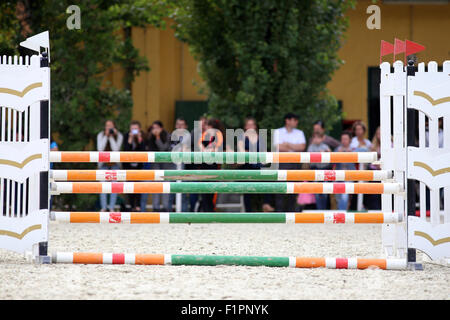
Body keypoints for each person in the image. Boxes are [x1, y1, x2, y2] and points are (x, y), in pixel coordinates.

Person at [273, 113, 305, 212]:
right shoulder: (277, 132)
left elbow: (302, 147)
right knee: (280, 191)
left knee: (293, 191)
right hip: (282, 163)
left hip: (295, 163)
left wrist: (287, 144)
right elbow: (277, 147)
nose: (297, 122)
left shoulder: (300, 132)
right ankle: (279, 215)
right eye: (294, 120)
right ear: (287, 121)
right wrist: (294, 147)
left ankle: (291, 215)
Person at [197, 118, 225, 212]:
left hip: (214, 166)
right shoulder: (205, 134)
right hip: (204, 166)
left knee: (212, 191)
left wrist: (210, 150)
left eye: (207, 125)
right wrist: (205, 150)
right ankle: (205, 212)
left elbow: (218, 148)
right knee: (204, 191)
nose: (205, 127)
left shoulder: (218, 134)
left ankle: (211, 212)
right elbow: (200, 145)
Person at [237, 117, 263, 212]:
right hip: (246, 167)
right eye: (249, 125)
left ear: (255, 126)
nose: (250, 127)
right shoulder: (242, 137)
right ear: (245, 127)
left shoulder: (260, 137)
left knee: (262, 190)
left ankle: (261, 210)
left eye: (252, 125)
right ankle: (248, 212)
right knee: (247, 192)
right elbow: (242, 153)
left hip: (258, 167)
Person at [97, 120, 123, 212]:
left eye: (110, 126)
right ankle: (104, 207)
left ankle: (111, 207)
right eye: (107, 126)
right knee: (102, 186)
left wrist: (111, 137)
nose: (109, 128)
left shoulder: (119, 135)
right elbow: (100, 148)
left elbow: (116, 150)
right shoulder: (100, 135)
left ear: (114, 127)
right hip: (103, 164)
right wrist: (106, 136)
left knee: (114, 186)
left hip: (114, 164)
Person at [147, 120, 173, 212]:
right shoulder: (150, 136)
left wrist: (157, 137)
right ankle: (156, 207)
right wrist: (152, 136)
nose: (155, 130)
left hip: (166, 166)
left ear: (161, 128)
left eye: (157, 128)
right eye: (153, 128)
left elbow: (163, 148)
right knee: (156, 187)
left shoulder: (168, 136)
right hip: (156, 165)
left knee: (165, 187)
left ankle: (165, 207)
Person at [123, 120, 145, 211]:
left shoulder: (142, 136)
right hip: (128, 166)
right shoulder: (126, 136)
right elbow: (125, 151)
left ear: (139, 129)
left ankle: (138, 206)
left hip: (138, 166)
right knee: (129, 186)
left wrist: (139, 139)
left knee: (138, 186)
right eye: (132, 129)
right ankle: (132, 206)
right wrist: (130, 139)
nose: (134, 131)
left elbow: (143, 151)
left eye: (136, 129)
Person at [170, 118, 190, 212]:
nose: (179, 127)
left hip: (185, 170)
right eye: (178, 124)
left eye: (182, 125)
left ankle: (184, 215)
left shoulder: (189, 136)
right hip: (171, 169)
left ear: (186, 126)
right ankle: (169, 216)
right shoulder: (170, 136)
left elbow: (184, 150)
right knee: (170, 193)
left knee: (183, 194)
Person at [307, 132, 331, 210]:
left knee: (325, 192)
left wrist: (326, 154)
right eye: (315, 137)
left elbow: (330, 159)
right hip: (315, 171)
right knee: (317, 192)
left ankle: (325, 210)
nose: (316, 139)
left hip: (325, 170)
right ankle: (319, 210)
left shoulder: (325, 146)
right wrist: (319, 155)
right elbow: (309, 160)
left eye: (318, 137)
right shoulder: (310, 147)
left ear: (322, 138)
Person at [334, 131, 355, 210]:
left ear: (350, 140)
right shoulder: (337, 149)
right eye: (342, 139)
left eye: (346, 139)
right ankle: (342, 212)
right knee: (338, 197)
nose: (344, 141)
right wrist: (337, 155)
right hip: (338, 176)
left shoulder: (354, 149)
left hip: (349, 176)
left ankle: (342, 213)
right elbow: (331, 162)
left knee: (345, 195)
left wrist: (352, 154)